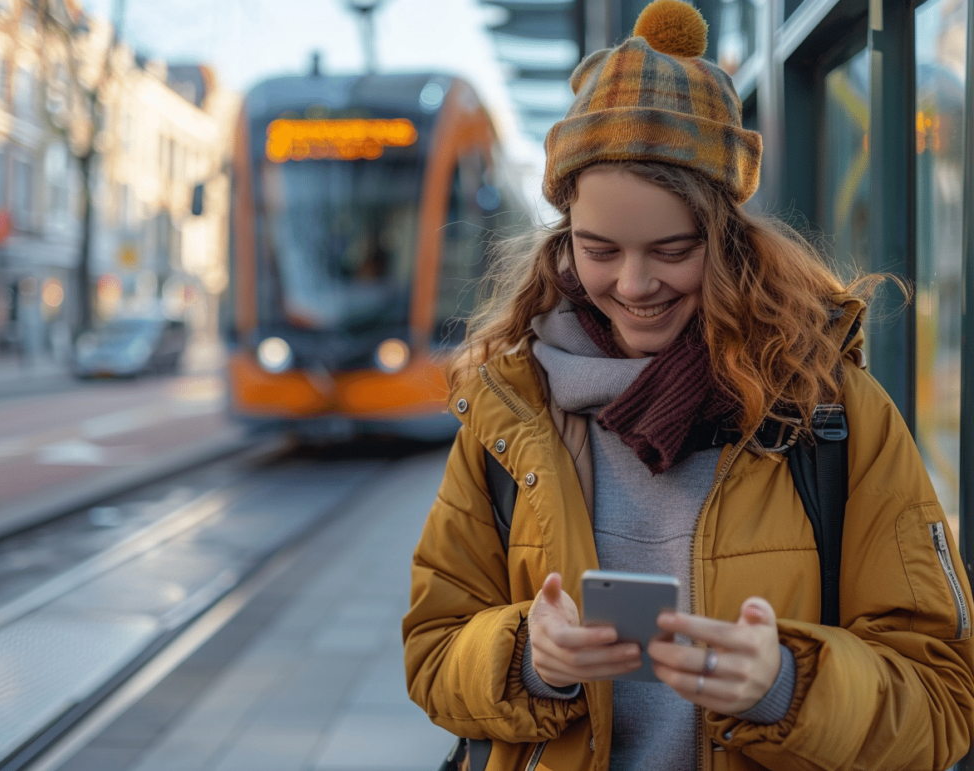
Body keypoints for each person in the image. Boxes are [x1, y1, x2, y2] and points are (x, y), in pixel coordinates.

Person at [402, 1, 974, 769]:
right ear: (564, 239)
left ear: (728, 237)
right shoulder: (511, 411)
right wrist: (529, 659)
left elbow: (943, 696)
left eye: (672, 249)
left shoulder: (833, 412)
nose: (635, 285)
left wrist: (785, 683)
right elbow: (433, 652)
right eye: (599, 249)